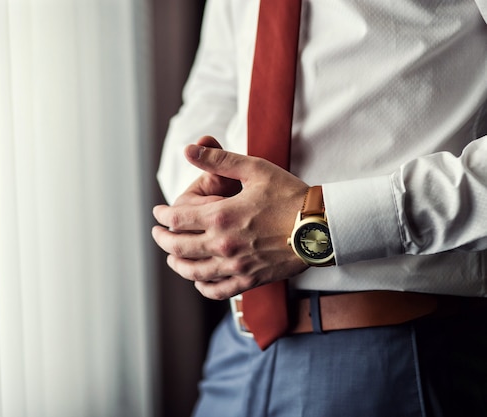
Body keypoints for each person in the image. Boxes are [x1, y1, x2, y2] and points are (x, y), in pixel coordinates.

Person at [151, 1, 487, 416]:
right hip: (235, 352)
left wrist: (320, 224)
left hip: (392, 353)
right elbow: (216, 88)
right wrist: (207, 206)